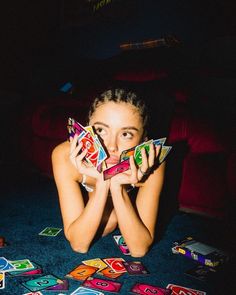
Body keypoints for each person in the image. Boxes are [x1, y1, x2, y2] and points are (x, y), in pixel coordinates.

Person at [51, 88, 166, 257]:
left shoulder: (153, 161)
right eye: (100, 130)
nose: (112, 146)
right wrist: (103, 182)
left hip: (127, 199)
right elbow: (79, 244)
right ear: (87, 128)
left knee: (111, 220)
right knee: (109, 222)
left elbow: (139, 249)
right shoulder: (64, 156)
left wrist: (118, 187)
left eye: (126, 134)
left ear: (143, 140)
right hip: (94, 197)